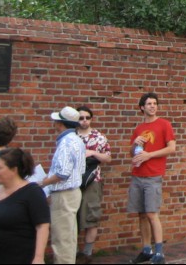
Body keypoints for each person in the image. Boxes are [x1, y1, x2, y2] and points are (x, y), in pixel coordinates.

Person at [0, 147, 50, 264]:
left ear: (14, 170)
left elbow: (42, 226)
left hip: (17, 258)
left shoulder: (32, 192)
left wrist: (38, 257)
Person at [128, 93, 176, 265]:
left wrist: (149, 156)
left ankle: (159, 253)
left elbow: (171, 148)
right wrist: (135, 144)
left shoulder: (164, 124)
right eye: (149, 104)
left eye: (155, 103)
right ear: (142, 107)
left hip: (153, 175)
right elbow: (132, 153)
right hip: (138, 175)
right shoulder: (139, 128)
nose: (152, 106)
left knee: (151, 213)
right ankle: (146, 249)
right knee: (141, 214)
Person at [39, 106, 86, 265]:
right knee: (69, 237)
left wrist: (43, 182)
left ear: (61, 123)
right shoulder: (77, 140)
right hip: (73, 192)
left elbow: (62, 174)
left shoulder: (66, 142)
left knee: (61, 239)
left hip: (64, 194)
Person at [75, 107, 112, 265]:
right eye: (81, 118)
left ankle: (87, 253)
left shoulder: (99, 137)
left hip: (92, 181)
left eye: (87, 117)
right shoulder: (71, 136)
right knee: (73, 217)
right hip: (73, 181)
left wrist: (93, 153)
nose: (84, 120)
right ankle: (74, 252)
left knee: (92, 216)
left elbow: (108, 158)